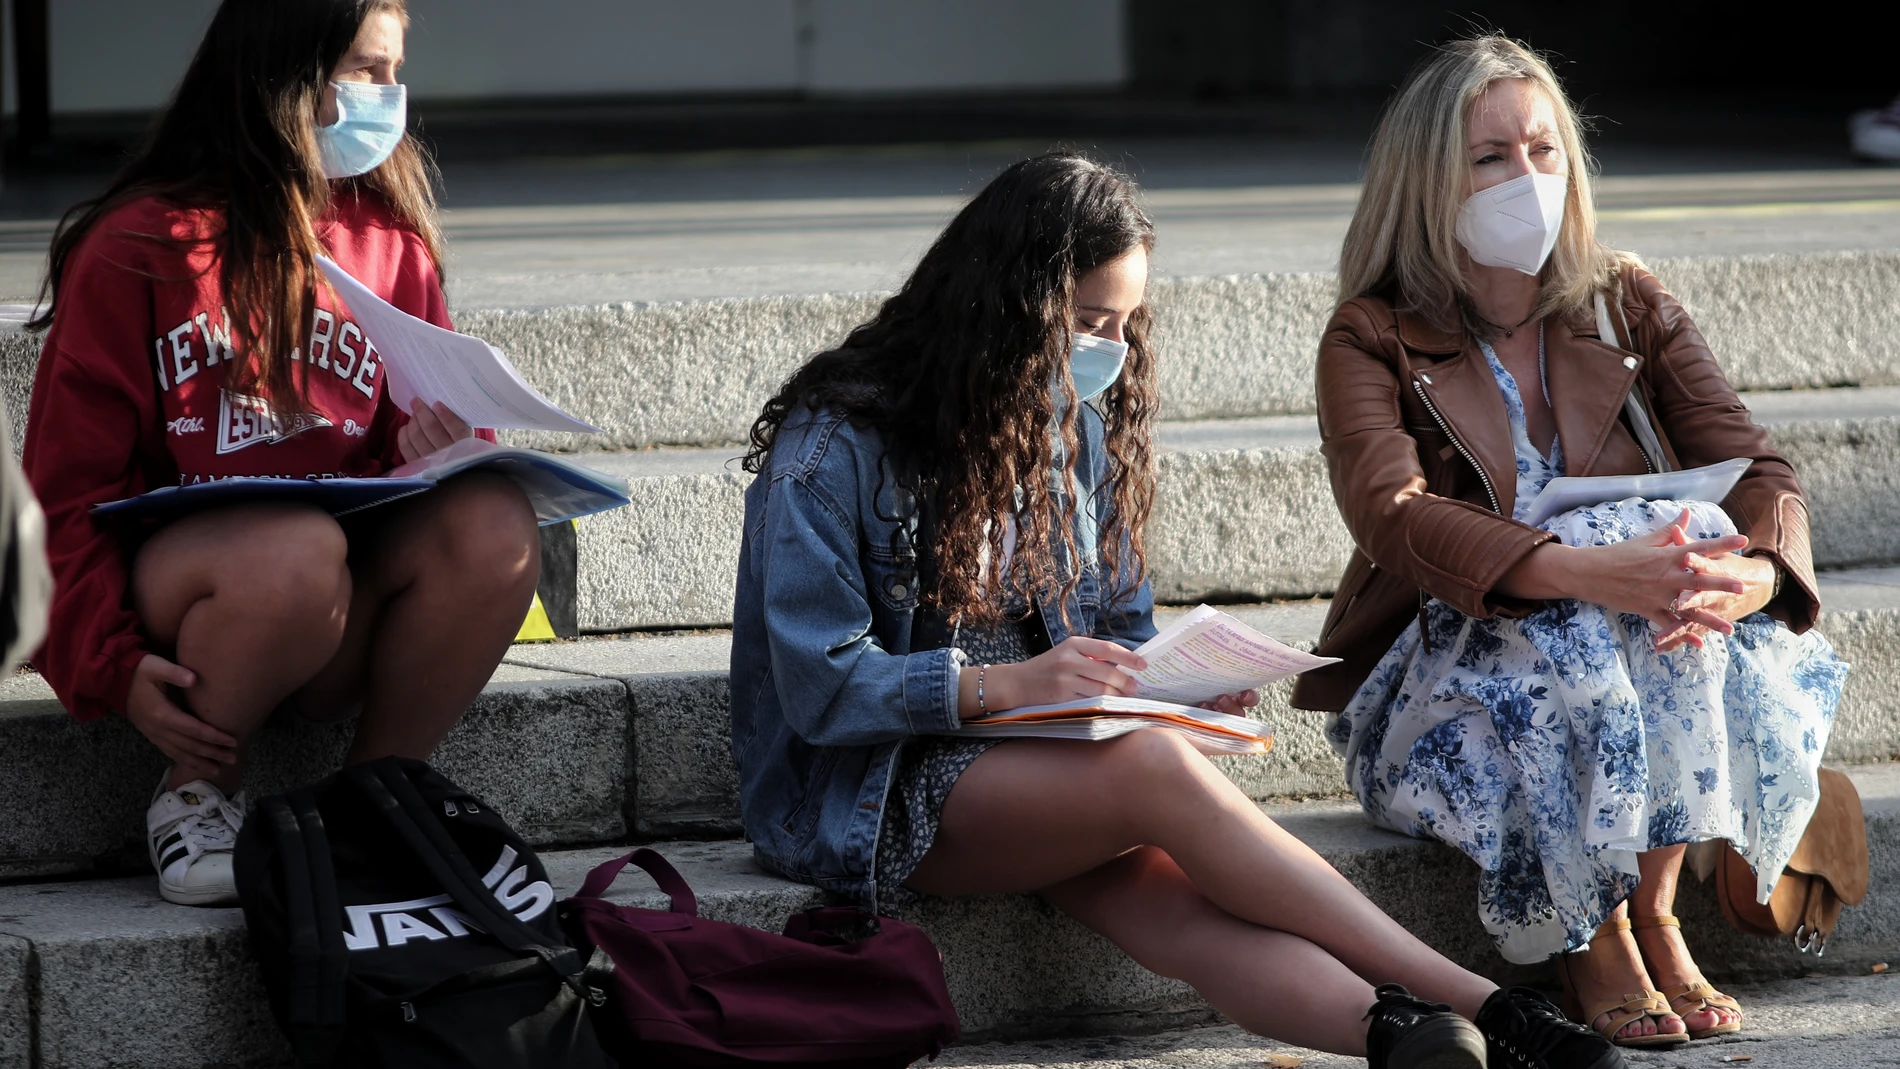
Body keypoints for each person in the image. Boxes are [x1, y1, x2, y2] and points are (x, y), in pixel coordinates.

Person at [731, 151, 1625, 1069]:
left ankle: (1401, 1034)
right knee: (1152, 770)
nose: (1107, 351)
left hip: (1038, 751)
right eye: (1085, 321)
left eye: (1123, 324)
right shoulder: (832, 447)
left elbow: (1115, 621)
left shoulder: (1063, 416)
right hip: (870, 784)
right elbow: (821, 685)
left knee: (1161, 895)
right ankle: (1492, 1007)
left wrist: (1173, 680)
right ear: (1000, 305)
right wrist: (1004, 686)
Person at [1296, 35, 1850, 1050]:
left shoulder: (1627, 300)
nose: (1527, 178)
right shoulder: (1370, 333)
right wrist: (1594, 570)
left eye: (1543, 150)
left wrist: (1741, 577)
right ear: (1427, 181)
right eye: (1490, 157)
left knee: (1678, 554)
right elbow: (1393, 513)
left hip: (1638, 666)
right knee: (1617, 543)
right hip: (1445, 691)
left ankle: (1651, 909)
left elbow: (1761, 473)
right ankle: (1590, 930)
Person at [22, 0, 540, 907]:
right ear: (285, 76)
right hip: (191, 611)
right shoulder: (137, 246)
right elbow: (59, 498)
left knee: (494, 521)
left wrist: (437, 451)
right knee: (291, 552)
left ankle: (379, 800)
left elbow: (431, 444)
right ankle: (195, 793)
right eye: (365, 71)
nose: (391, 97)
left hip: (337, 604)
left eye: (394, 71)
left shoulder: (389, 242)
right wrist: (105, 662)